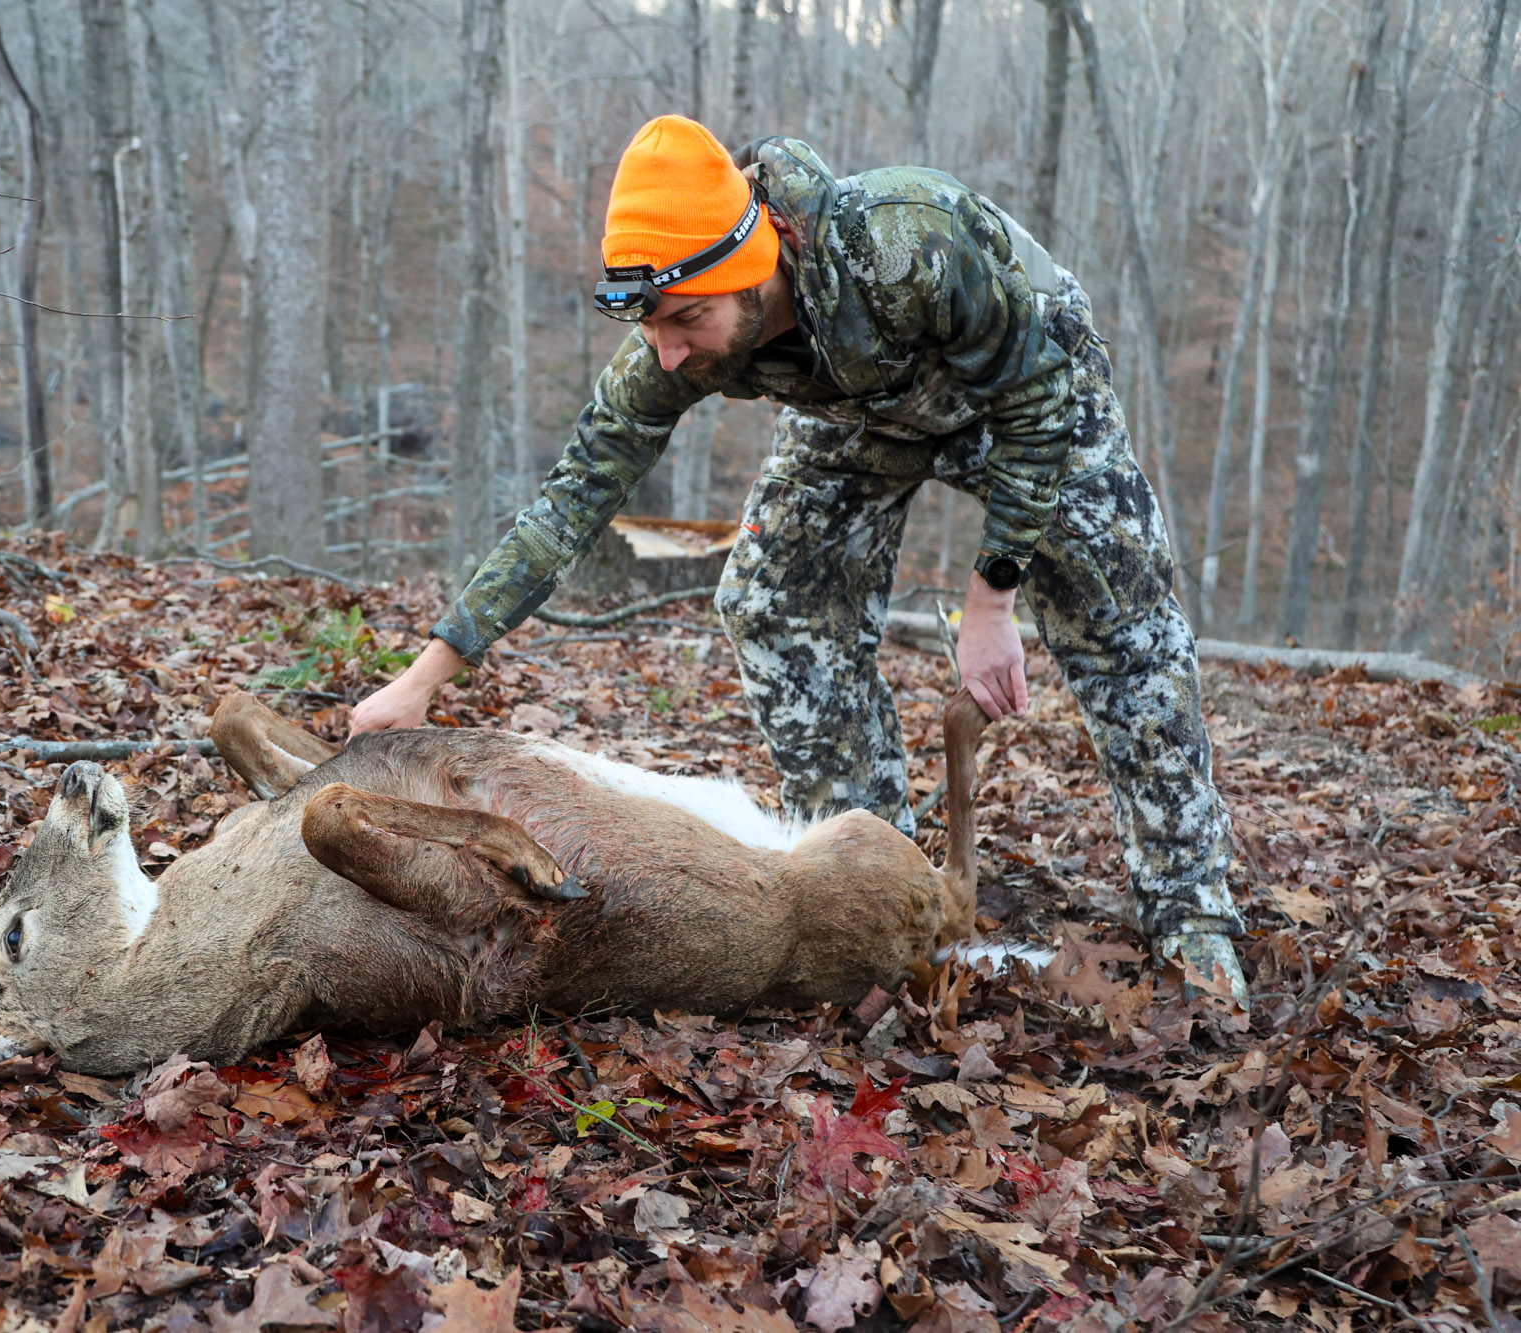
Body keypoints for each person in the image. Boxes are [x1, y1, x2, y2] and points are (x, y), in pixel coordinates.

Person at [350, 114, 1247, 1002]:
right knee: (772, 600)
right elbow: (572, 497)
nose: (667, 351)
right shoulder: (674, 341)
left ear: (750, 271)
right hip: (861, 418)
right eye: (654, 325)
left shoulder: (907, 239)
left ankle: (1192, 916)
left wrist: (991, 603)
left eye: (687, 320)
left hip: (1024, 393)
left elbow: (1039, 400)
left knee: (1122, 619)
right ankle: (874, 896)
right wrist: (429, 674)